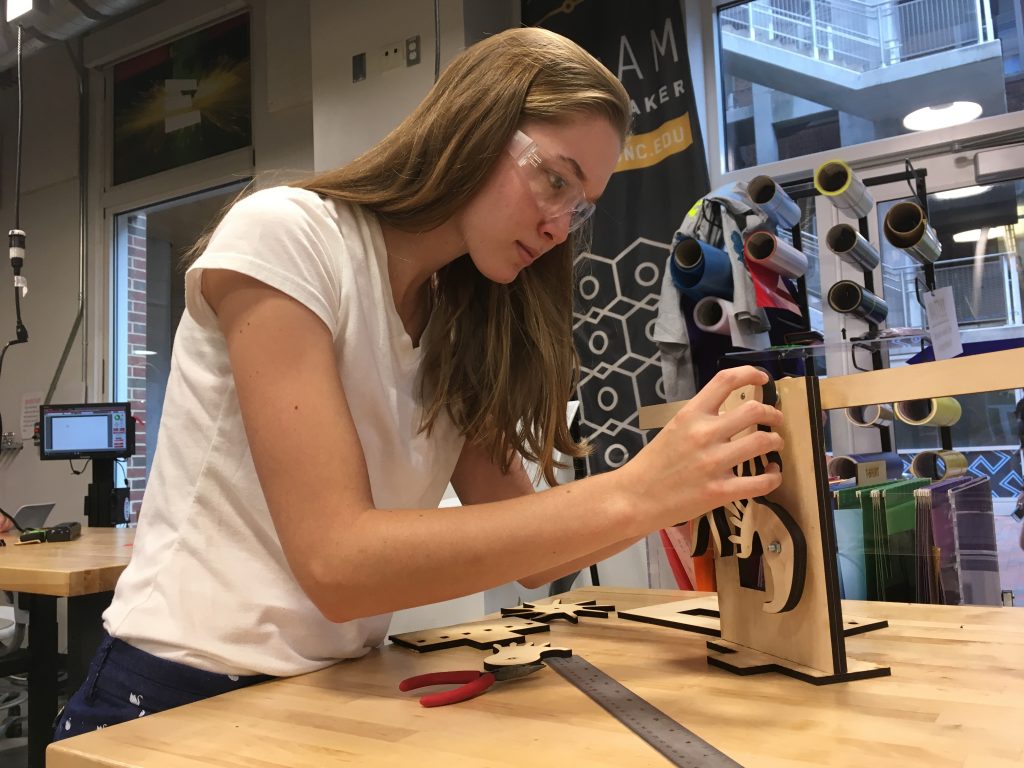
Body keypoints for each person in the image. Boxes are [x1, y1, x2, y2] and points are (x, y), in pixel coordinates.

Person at [53, 27, 782, 739]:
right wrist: (634, 491)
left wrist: (682, 491)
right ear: (475, 126)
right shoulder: (286, 236)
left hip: (324, 692)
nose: (561, 224)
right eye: (554, 179)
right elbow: (338, 563)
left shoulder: (464, 321)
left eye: (579, 203)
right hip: (174, 693)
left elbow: (534, 556)